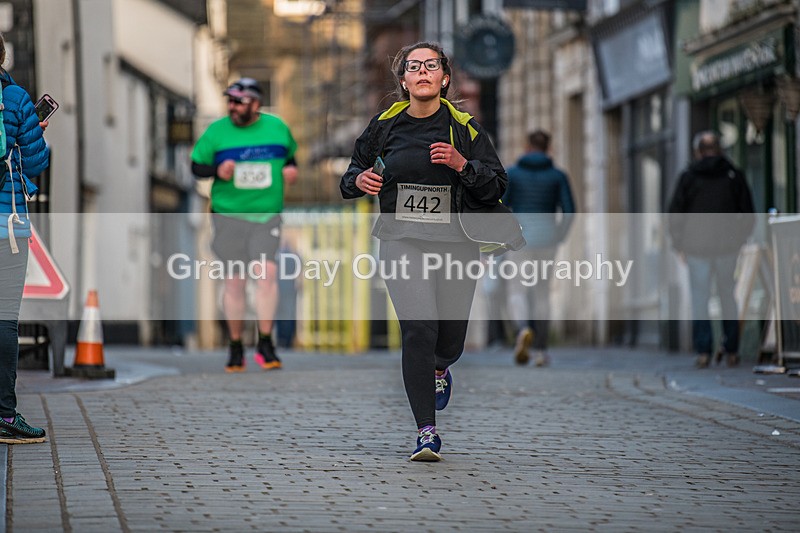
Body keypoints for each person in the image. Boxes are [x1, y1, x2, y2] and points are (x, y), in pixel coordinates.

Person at [340, 42, 507, 461]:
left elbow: (496, 185)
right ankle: (426, 432)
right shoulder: (385, 124)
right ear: (403, 80)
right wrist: (359, 181)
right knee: (418, 329)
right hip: (402, 239)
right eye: (413, 67)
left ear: (444, 77)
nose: (422, 73)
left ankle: (440, 367)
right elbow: (350, 175)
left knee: (448, 340)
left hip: (456, 244)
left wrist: (460, 165)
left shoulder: (464, 127)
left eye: (431, 66)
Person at [191, 78, 298, 372]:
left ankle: (265, 342)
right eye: (230, 101)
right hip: (228, 215)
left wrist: (291, 169)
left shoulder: (277, 128)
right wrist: (216, 169)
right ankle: (236, 344)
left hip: (266, 215)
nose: (232, 107)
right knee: (235, 282)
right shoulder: (216, 132)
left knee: (267, 275)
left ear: (256, 103)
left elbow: (290, 157)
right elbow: (196, 167)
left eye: (238, 101)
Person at [0, 32, 51, 444]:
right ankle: (4, 415)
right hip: (6, 224)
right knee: (3, 319)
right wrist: (35, 130)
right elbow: (36, 161)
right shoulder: (15, 99)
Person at [668, 131, 754, 369]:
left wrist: (679, 244)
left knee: (700, 299)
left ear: (698, 151)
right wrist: (738, 239)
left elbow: (675, 213)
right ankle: (732, 349)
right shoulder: (733, 175)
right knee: (728, 296)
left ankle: (704, 351)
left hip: (697, 248)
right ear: (719, 149)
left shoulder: (688, 177)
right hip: (727, 247)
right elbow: (748, 213)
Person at [504, 130, 574, 367]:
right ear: (548, 148)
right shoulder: (558, 176)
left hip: (519, 239)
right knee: (543, 292)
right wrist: (559, 235)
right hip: (547, 240)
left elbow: (499, 206)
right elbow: (570, 210)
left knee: (517, 290)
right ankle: (542, 350)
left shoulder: (512, 174)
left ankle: (523, 330)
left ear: (526, 146)